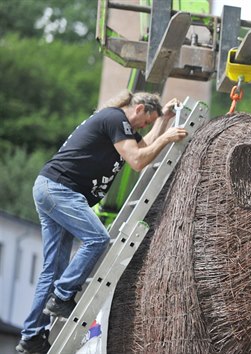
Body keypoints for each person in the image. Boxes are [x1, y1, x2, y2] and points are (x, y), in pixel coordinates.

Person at [16, 91, 188, 354]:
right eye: (145, 121)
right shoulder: (116, 119)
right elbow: (138, 160)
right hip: (59, 190)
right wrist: (166, 137)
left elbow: (144, 147)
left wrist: (162, 121)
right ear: (139, 108)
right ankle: (62, 295)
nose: (142, 128)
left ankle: (31, 337)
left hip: (52, 188)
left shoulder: (119, 124)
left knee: (52, 269)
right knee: (97, 238)